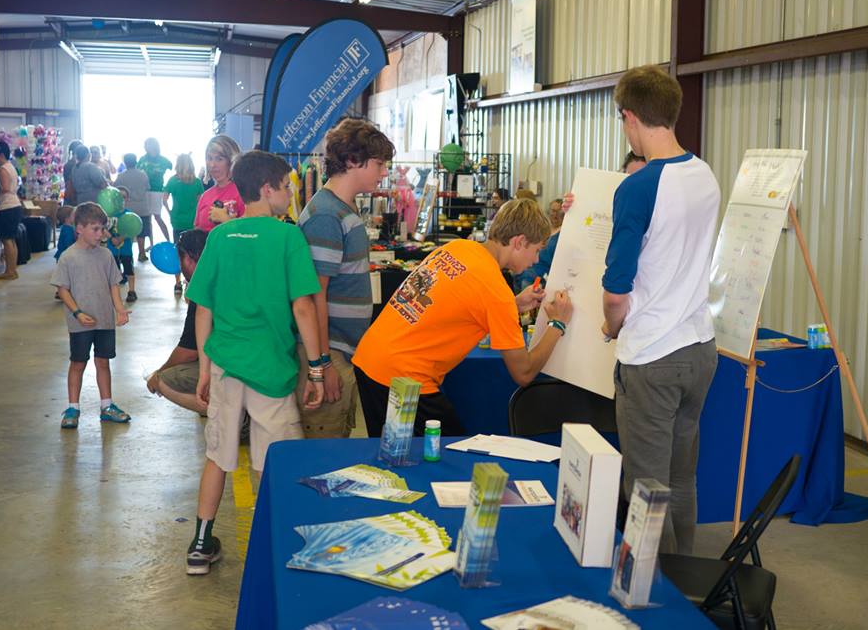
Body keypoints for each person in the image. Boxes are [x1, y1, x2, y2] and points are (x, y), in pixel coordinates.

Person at [183, 150, 325, 575]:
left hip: (226, 364)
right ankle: (277, 541)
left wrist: (206, 370)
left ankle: (200, 543)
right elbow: (303, 308)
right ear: (267, 189)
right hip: (271, 370)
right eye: (286, 186)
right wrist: (316, 367)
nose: (289, 194)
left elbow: (203, 309)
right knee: (274, 456)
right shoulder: (288, 237)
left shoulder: (221, 237)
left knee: (218, 454)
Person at [602, 65, 721, 555]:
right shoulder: (705, 174)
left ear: (629, 117)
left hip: (652, 355)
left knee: (646, 490)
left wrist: (612, 329)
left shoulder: (637, 188)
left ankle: (661, 595)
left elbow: (615, 292)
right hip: (699, 348)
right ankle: (685, 573)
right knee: (680, 477)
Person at [353, 199, 573, 437]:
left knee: (400, 457)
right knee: (443, 457)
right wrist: (557, 324)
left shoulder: (456, 248)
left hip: (371, 358)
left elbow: (456, 303)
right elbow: (524, 373)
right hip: (404, 378)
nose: (536, 260)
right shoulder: (496, 291)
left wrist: (515, 304)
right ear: (519, 242)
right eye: (538, 250)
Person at [296, 118, 396, 438]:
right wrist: (322, 364)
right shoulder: (327, 215)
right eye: (379, 164)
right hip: (330, 351)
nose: (384, 172)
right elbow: (314, 296)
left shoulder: (343, 208)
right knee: (323, 450)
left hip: (341, 350)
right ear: (353, 161)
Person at [50, 202, 132, 430]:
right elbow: (62, 289)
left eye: (103, 229)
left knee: (103, 362)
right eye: (95, 229)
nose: (101, 234)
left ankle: (107, 406)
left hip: (104, 320)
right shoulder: (68, 257)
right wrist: (77, 312)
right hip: (80, 323)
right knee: (78, 363)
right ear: (79, 228)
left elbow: (113, 285)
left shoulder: (105, 256)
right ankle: (73, 408)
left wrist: (120, 310)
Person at [145, 229, 208, 414]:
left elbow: (188, 352)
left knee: (165, 379)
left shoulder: (201, 290)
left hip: (228, 369)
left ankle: (220, 411)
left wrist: (157, 374)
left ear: (187, 259)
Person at [164, 153, 204, 295]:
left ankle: (177, 284)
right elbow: (201, 204)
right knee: (193, 253)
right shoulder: (197, 182)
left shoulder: (173, 182)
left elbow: (164, 200)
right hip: (193, 222)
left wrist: (170, 212)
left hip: (177, 220)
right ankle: (191, 282)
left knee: (179, 252)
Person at [194, 135, 242, 233]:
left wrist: (226, 220)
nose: (212, 165)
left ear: (232, 161)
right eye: (209, 158)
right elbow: (197, 231)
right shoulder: (205, 196)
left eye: (219, 159)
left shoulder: (244, 193)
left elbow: (250, 235)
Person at [0, 141, 23, 281]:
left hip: (7, 206)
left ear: (1, 155)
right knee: (11, 240)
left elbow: (4, 188)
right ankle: (12, 270)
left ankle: (10, 271)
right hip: (14, 205)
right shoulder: (11, 167)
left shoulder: (3, 169)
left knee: (7, 240)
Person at [115, 153, 152, 262]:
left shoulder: (121, 176)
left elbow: (116, 190)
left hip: (128, 208)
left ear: (125, 163)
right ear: (136, 161)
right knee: (142, 232)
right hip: (142, 208)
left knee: (127, 232)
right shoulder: (143, 175)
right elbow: (147, 188)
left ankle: (128, 254)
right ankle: (141, 252)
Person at [137, 137, 172, 243]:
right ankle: (151, 243)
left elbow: (171, 166)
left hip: (157, 190)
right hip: (145, 190)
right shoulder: (142, 159)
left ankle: (169, 241)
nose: (145, 147)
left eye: (147, 145)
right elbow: (137, 170)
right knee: (148, 218)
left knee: (157, 217)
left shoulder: (163, 160)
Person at [108, 186, 137, 303]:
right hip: (112, 249)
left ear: (127, 199)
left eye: (124, 197)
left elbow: (132, 229)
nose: (121, 200)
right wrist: (111, 238)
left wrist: (121, 238)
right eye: (118, 197)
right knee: (114, 273)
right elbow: (105, 228)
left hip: (126, 249)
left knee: (129, 270)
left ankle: (132, 291)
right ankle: (115, 294)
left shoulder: (129, 215)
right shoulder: (109, 215)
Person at [53, 205, 75, 300]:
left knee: (65, 276)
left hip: (62, 255)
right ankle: (63, 293)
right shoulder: (68, 230)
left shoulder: (67, 228)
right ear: (67, 218)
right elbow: (68, 244)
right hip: (66, 257)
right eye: (74, 215)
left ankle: (61, 292)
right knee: (68, 276)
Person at [63, 139, 83, 206]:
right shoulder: (73, 165)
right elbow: (70, 183)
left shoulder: (68, 164)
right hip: (73, 197)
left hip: (71, 197)